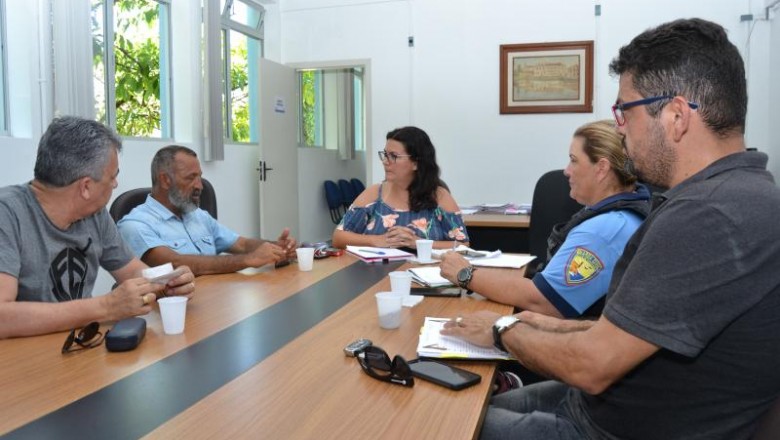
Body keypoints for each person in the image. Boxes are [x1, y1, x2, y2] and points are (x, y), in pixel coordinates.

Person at [441, 18, 780, 439]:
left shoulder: (709, 214)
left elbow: (593, 363)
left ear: (675, 116)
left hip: (608, 428)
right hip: (596, 406)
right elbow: (619, 333)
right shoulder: (731, 195)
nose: (619, 127)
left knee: (428, 422)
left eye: (625, 110)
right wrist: (519, 327)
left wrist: (500, 332)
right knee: (456, 400)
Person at [0, 117, 196, 339]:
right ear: (86, 187)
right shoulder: (7, 214)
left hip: (80, 346)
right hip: (24, 360)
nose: (115, 185)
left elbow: (130, 270)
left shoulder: (94, 213)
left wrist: (168, 281)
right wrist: (105, 307)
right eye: (112, 177)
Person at [440, 120, 649, 318]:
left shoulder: (604, 231)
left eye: (574, 160)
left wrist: (465, 274)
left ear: (602, 168)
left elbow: (544, 302)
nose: (566, 171)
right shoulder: (624, 212)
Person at [117, 145, 298, 276]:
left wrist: (275, 248)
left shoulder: (199, 216)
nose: (200, 186)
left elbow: (241, 244)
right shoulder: (135, 225)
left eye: (200, 177)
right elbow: (175, 263)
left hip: (216, 301)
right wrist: (248, 260)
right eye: (191, 178)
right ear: (165, 180)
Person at [332, 126, 468, 250]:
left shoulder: (440, 196)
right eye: (385, 155)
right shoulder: (374, 194)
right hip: (376, 274)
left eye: (393, 156)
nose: (385, 162)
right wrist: (375, 240)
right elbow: (338, 238)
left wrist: (417, 243)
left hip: (425, 274)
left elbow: (463, 245)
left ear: (416, 162)